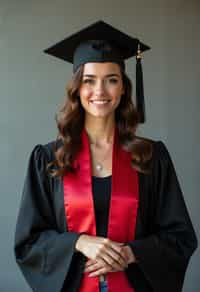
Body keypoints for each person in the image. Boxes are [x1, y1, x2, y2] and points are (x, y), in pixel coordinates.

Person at [14, 20, 197, 292]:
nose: (100, 91)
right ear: (77, 88)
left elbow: (180, 237)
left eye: (111, 80)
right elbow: (29, 243)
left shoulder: (150, 156)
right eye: (89, 81)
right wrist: (78, 242)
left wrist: (131, 253)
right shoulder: (50, 159)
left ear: (123, 88)